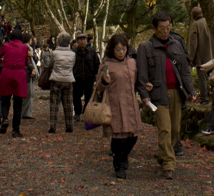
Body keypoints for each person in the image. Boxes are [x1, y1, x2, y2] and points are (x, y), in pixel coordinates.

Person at [137, 11, 197, 180]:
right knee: (165, 128)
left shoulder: (177, 44)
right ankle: (169, 164)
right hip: (157, 94)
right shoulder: (145, 47)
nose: (165, 31)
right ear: (154, 28)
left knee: (176, 129)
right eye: (162, 28)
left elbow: (185, 71)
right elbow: (142, 74)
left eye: (168, 27)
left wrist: (191, 90)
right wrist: (144, 94)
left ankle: (164, 155)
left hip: (176, 93)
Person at [94, 33, 142, 179]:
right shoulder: (106, 64)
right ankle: (118, 163)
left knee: (133, 135)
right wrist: (105, 82)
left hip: (131, 102)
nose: (121, 52)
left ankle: (123, 157)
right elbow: (98, 87)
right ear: (112, 50)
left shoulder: (132, 62)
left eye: (124, 49)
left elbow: (138, 81)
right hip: (115, 102)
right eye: (118, 50)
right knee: (118, 137)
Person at [45, 32, 76, 133]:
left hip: (56, 79)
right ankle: (70, 125)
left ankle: (53, 126)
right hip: (68, 79)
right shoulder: (73, 54)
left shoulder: (54, 53)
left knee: (54, 104)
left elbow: (50, 65)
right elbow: (73, 66)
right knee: (68, 104)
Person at [187, 7, 214, 103]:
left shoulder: (195, 25)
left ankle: (204, 99)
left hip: (201, 56)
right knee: (213, 77)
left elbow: (193, 42)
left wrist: (191, 57)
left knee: (202, 78)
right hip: (212, 55)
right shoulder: (209, 22)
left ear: (193, 16)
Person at [72, 33, 100, 119]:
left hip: (89, 77)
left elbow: (97, 64)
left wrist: (96, 76)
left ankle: (85, 112)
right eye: (80, 40)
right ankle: (77, 112)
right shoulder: (74, 52)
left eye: (84, 39)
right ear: (77, 41)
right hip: (77, 77)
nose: (82, 41)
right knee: (76, 96)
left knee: (88, 96)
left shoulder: (92, 52)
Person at [21, 33, 39, 119]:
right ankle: (26, 112)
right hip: (28, 72)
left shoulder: (28, 48)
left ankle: (27, 112)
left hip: (27, 72)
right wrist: (32, 69)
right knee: (29, 93)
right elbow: (29, 60)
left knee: (29, 93)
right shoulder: (27, 48)